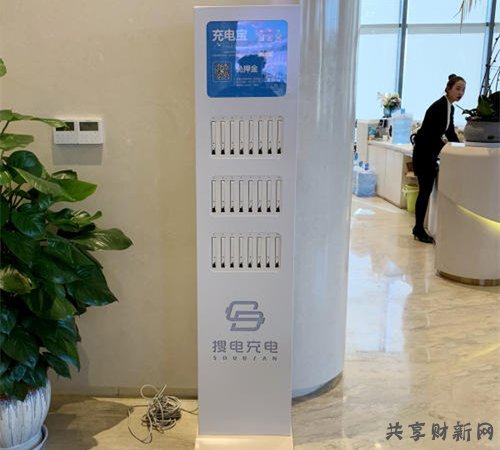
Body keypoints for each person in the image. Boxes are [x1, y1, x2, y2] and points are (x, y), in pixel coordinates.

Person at [411, 74, 466, 243]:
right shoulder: (439, 107)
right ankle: (418, 229)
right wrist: (449, 149)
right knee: (424, 192)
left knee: (425, 191)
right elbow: (432, 136)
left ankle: (418, 228)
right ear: (448, 88)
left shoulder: (450, 107)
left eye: (463, 90)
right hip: (423, 154)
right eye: (457, 89)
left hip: (429, 153)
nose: (460, 93)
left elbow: (449, 132)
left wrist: (461, 148)